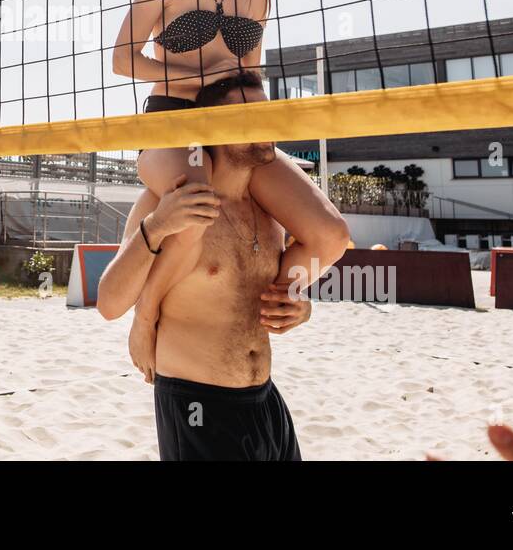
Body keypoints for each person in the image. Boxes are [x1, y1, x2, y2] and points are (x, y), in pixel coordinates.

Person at [110, 0, 349, 378]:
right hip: (174, 122)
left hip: (234, 127)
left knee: (330, 234)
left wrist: (261, 133)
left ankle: (279, 302)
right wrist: (196, 70)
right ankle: (146, 313)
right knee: (198, 201)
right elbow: (124, 58)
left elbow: (252, 72)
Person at [96, 71, 349, 460]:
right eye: (246, 114)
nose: (264, 123)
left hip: (264, 399)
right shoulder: (165, 203)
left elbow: (280, 282)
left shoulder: (270, 215)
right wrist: (158, 225)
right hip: (199, 407)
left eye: (265, 111)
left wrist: (300, 305)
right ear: (212, 126)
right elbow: (109, 303)